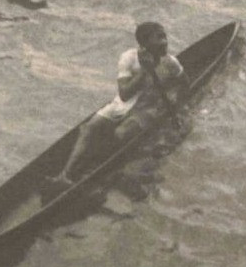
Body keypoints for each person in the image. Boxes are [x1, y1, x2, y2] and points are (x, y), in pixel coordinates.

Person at [49, 22, 186, 186]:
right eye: (159, 38)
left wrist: (173, 100)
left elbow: (185, 84)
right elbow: (125, 94)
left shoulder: (171, 63)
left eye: (164, 37)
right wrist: (145, 70)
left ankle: (94, 165)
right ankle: (66, 174)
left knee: (120, 135)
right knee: (89, 128)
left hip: (148, 108)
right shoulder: (128, 58)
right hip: (122, 104)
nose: (164, 42)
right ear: (144, 44)